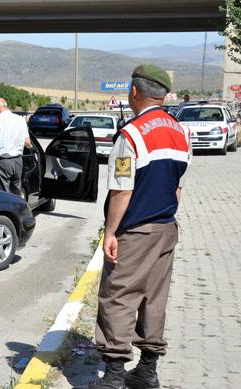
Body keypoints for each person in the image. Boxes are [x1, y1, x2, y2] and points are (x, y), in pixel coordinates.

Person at [88, 64, 192, 389]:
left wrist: (110, 233)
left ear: (134, 91)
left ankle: (114, 376)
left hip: (136, 231)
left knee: (118, 296)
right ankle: (147, 371)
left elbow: (122, 188)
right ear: (162, 94)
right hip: (166, 228)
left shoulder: (131, 135)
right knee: (154, 298)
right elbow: (177, 185)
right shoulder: (179, 131)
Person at [0, 97, 30, 196]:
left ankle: (5, 211)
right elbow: (27, 142)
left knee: (2, 194)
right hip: (18, 161)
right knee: (16, 192)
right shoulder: (20, 120)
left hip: (3, 162)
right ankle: (16, 211)